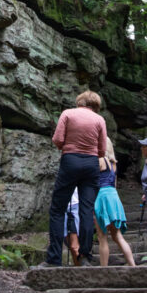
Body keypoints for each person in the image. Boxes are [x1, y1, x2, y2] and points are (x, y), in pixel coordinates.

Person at [42, 90, 107, 267]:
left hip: (70, 160)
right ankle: (85, 257)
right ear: (95, 105)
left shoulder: (68, 114)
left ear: (80, 101)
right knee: (86, 210)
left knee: (58, 209)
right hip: (91, 163)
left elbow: (57, 139)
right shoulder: (100, 120)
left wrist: (69, 146)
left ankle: (54, 259)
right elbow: (102, 150)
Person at [95, 139, 136, 267]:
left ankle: (104, 269)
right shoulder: (114, 164)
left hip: (102, 195)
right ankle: (132, 265)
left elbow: (93, 181)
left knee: (102, 236)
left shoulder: (100, 160)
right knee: (117, 235)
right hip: (113, 195)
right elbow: (114, 183)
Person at [63, 189, 80, 264]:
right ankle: (78, 267)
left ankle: (81, 270)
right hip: (62, 206)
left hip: (75, 204)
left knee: (74, 246)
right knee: (68, 242)